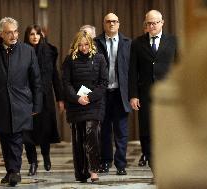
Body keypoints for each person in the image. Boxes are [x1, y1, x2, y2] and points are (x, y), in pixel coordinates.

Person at [0, 17, 42, 187]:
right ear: (1, 34)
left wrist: (37, 104)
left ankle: (14, 171)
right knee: (5, 137)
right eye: (9, 32)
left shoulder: (28, 51)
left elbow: (36, 81)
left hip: (21, 103)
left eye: (15, 31)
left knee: (17, 138)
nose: (13, 35)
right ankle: (10, 170)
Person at [129, 10, 177, 169]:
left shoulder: (173, 41)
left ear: (162, 22)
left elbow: (181, 67)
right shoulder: (137, 43)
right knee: (147, 128)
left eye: (155, 22)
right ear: (146, 25)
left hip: (169, 94)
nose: (152, 25)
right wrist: (133, 95)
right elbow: (132, 71)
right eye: (149, 23)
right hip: (145, 94)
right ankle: (150, 158)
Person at [62, 31, 108, 183]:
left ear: (91, 44)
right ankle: (81, 172)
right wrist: (77, 98)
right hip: (76, 105)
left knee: (91, 134)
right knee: (78, 137)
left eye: (86, 44)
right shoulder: (69, 60)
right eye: (80, 45)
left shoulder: (99, 58)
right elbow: (66, 84)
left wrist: (89, 97)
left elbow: (103, 83)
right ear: (75, 45)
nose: (83, 48)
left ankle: (94, 170)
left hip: (94, 104)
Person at [23, 24, 64, 176]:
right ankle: (32, 162)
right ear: (27, 36)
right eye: (31, 34)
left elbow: (55, 76)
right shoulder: (21, 51)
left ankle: (46, 156)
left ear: (42, 35)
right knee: (27, 133)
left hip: (46, 97)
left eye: (37, 34)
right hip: (27, 98)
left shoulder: (49, 51)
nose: (35, 37)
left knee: (45, 130)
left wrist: (60, 98)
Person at [94, 13, 132, 175]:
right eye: (108, 21)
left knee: (121, 131)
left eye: (114, 21)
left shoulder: (128, 43)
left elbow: (132, 71)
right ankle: (105, 161)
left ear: (119, 24)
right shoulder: (96, 43)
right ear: (104, 24)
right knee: (104, 131)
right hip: (102, 93)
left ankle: (121, 164)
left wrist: (133, 94)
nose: (111, 24)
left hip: (120, 93)